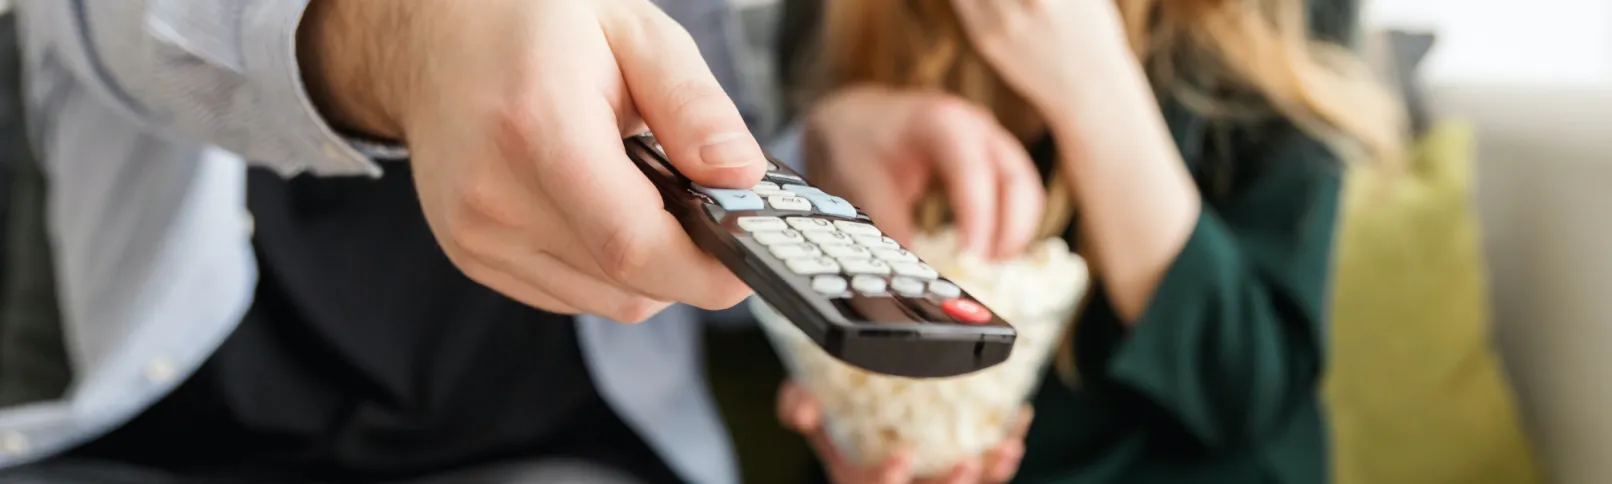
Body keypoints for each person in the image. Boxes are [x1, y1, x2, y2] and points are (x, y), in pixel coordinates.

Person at [1, 1, 1040, 483]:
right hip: (170, 414)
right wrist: (409, 42)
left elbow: (672, 120)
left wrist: (814, 148)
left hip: (554, 442)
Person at [775, 0, 1403, 483]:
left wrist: (1093, 85)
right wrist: (823, 139)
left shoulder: (1267, 22)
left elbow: (1244, 389)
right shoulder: (847, 20)